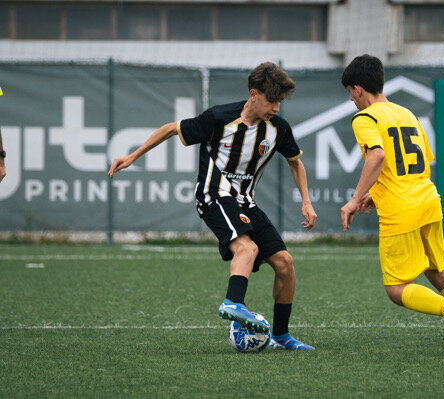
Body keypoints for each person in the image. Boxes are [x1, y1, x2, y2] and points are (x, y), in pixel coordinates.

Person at [108, 62, 317, 350]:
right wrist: (132, 157)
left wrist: (306, 201)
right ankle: (233, 303)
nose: (277, 108)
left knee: (285, 264)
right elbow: (171, 129)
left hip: (246, 201)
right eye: (272, 100)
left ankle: (281, 336)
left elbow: (295, 162)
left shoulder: (278, 129)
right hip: (213, 195)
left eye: (280, 101)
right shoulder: (218, 118)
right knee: (248, 248)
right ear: (253, 94)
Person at [339, 54, 444, 354]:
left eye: (350, 93)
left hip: (401, 210)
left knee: (397, 290)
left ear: (358, 89)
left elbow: (378, 156)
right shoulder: (406, 113)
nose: (351, 100)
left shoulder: (365, 118)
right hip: (428, 201)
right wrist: (376, 191)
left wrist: (355, 199)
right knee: (440, 273)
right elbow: (416, 163)